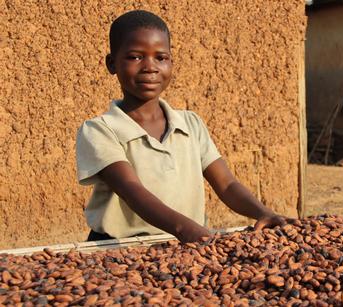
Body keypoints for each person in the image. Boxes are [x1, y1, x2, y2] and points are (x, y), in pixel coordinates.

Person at [76, 10, 290, 243]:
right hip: (118, 248)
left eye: (161, 58)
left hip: (185, 245)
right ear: (111, 63)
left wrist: (263, 213)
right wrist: (184, 229)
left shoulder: (191, 124)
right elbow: (131, 190)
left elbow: (227, 184)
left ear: (171, 62)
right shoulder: (101, 130)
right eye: (136, 57)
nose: (150, 67)